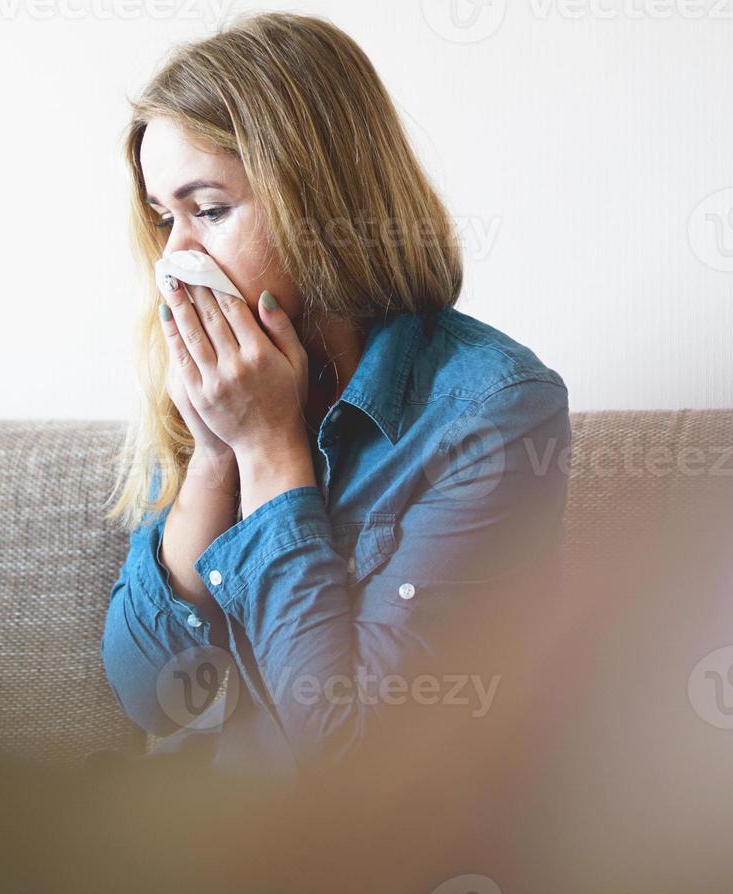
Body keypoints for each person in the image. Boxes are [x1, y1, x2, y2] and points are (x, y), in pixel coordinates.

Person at [101, 12, 571, 783]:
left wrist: (268, 448)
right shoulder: (212, 380)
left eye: (209, 210)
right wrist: (216, 453)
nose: (176, 258)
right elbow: (148, 697)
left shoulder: (493, 413)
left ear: (318, 199)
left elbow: (354, 763)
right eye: (164, 219)